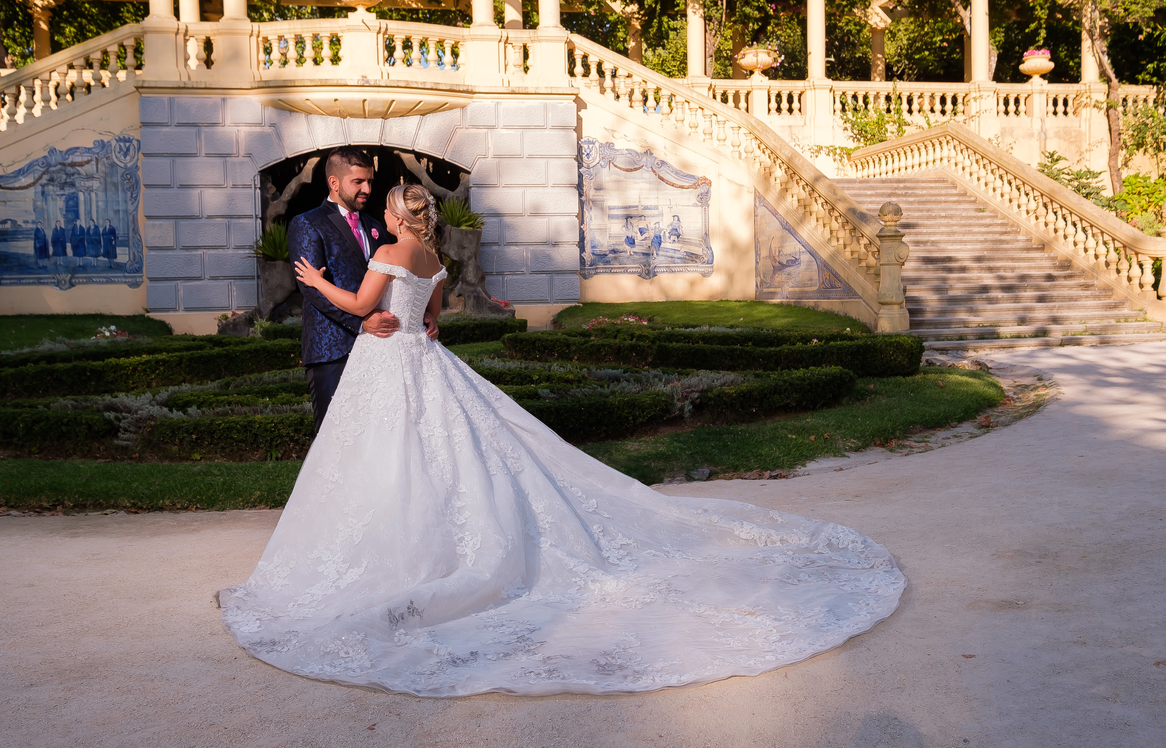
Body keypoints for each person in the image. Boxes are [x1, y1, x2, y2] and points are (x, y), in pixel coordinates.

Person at [219, 182, 907, 698]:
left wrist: (317, 284)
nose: (388, 217)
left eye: (390, 210)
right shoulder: (431, 260)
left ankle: (390, 553)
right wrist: (404, 322)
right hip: (421, 362)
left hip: (385, 365)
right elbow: (433, 325)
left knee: (384, 462)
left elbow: (364, 307)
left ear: (397, 216)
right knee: (435, 457)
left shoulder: (389, 251)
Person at [285, 146, 436, 434]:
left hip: (381, 349)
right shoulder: (306, 223)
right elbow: (311, 288)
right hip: (332, 349)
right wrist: (362, 320)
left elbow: (398, 277)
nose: (367, 188)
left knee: (375, 436)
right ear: (334, 182)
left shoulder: (376, 226)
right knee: (335, 436)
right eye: (358, 182)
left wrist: (424, 313)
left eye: (369, 181)